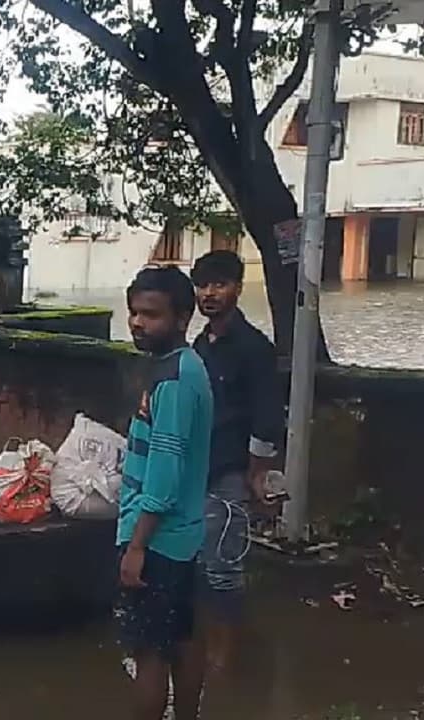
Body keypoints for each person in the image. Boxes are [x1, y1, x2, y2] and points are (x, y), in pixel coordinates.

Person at [117, 265, 214, 720]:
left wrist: (137, 544)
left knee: (150, 653)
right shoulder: (181, 366)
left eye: (151, 315)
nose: (138, 323)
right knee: (182, 637)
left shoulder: (174, 380)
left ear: (181, 319)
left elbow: (166, 471)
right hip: (181, 535)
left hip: (158, 538)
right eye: (134, 312)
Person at [190, 250, 283, 673]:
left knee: (224, 565)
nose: (209, 294)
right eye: (203, 285)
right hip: (196, 467)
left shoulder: (254, 349)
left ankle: (227, 655)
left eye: (219, 284)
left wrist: (256, 474)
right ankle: (211, 641)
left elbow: (267, 418)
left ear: (238, 289)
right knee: (198, 560)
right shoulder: (198, 345)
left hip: (231, 469)